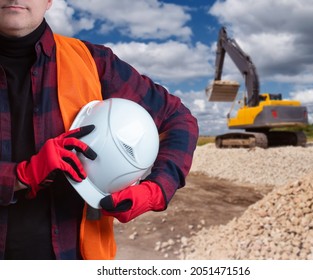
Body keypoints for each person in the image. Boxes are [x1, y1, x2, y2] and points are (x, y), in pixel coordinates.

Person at [0, 0, 198, 260]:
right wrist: (20, 176)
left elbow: (178, 118)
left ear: (48, 1)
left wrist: (157, 189)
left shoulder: (92, 62)